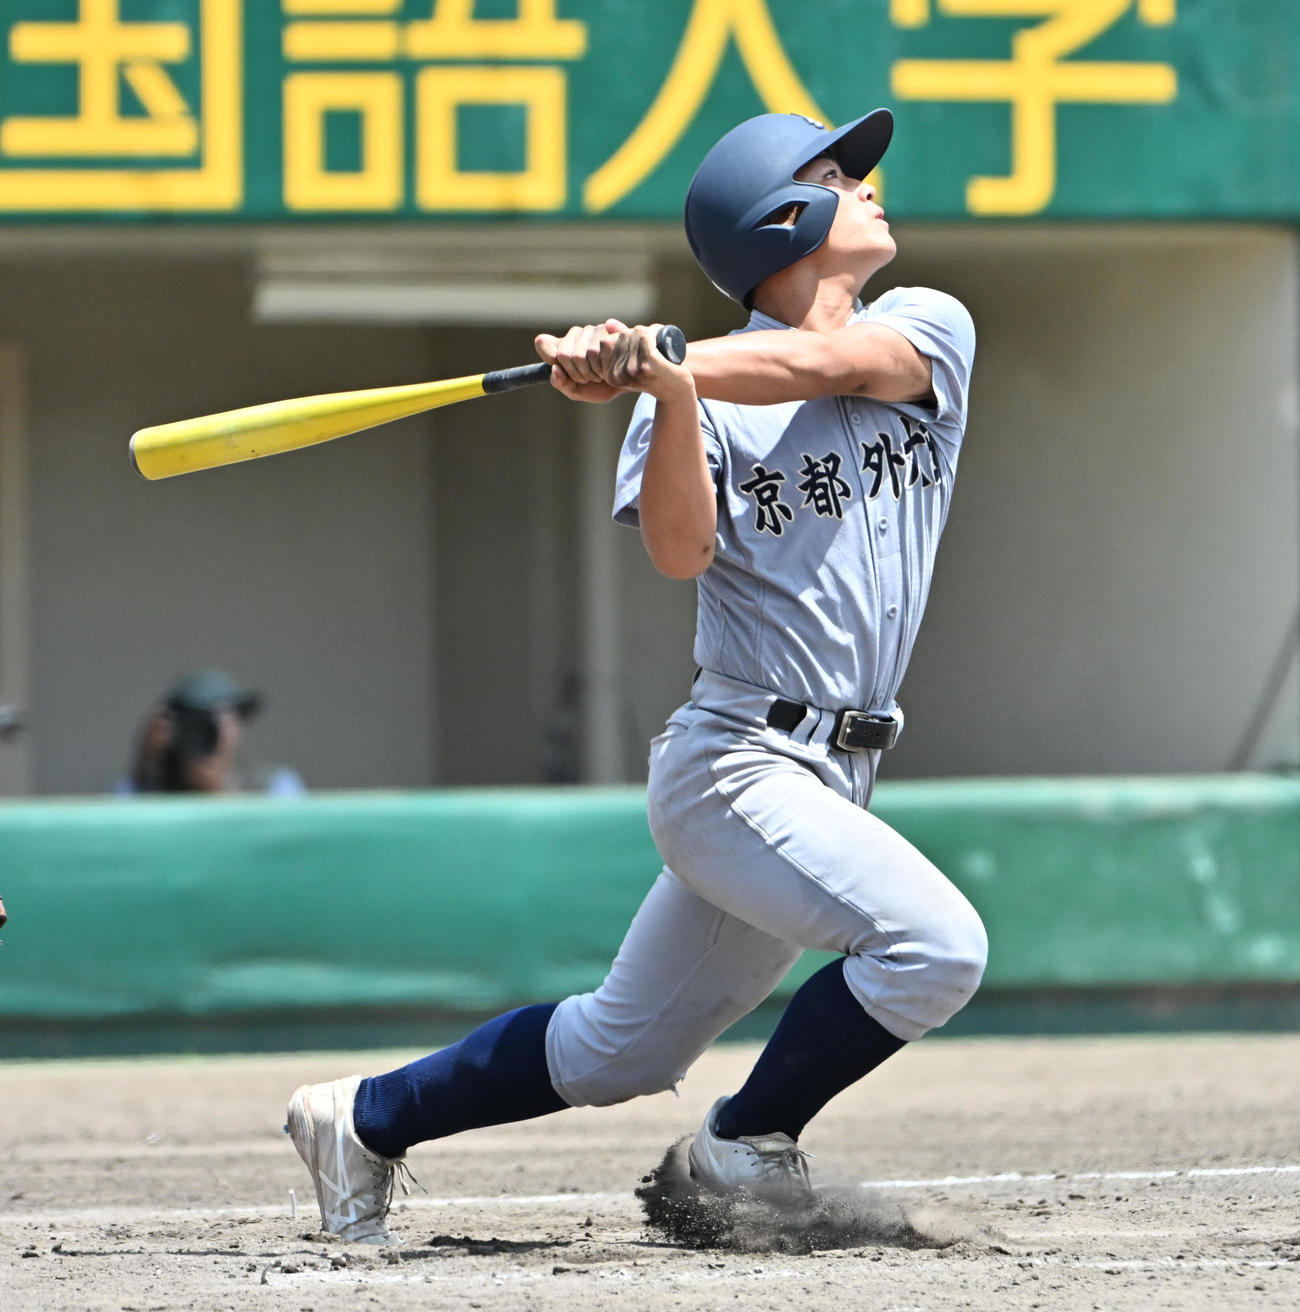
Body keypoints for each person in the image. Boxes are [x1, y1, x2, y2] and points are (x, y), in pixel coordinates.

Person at [285, 107, 987, 1244]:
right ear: (782, 217)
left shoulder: (924, 324)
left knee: (621, 1048)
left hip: (838, 769)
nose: (865, 182)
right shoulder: (686, 401)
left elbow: (824, 361)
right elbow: (679, 553)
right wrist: (663, 397)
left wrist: (658, 358)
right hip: (737, 766)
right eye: (833, 172)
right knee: (936, 947)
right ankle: (743, 1143)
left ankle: (362, 1118)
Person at [119, 669, 304, 796]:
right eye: (193, 725)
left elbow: (289, 846)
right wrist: (144, 766)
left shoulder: (273, 787)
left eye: (213, 724)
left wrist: (220, 792)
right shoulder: (150, 794)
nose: (203, 735)